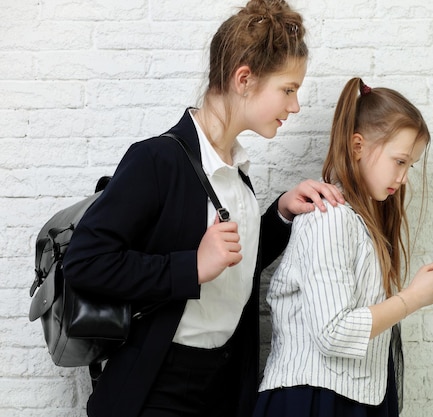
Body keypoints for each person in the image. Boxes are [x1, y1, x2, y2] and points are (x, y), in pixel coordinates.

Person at [63, 1, 344, 416]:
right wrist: (191, 267)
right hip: (157, 387)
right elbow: (84, 262)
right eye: (288, 89)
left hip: (224, 384)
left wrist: (281, 213)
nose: (295, 106)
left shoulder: (237, 171)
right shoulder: (158, 161)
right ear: (244, 78)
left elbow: (231, 266)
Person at [254, 77, 433, 417]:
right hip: (312, 402)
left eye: (410, 166)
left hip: (352, 398)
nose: (404, 177)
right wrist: (414, 297)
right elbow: (334, 332)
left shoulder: (362, 223)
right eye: (399, 161)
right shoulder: (328, 218)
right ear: (358, 146)